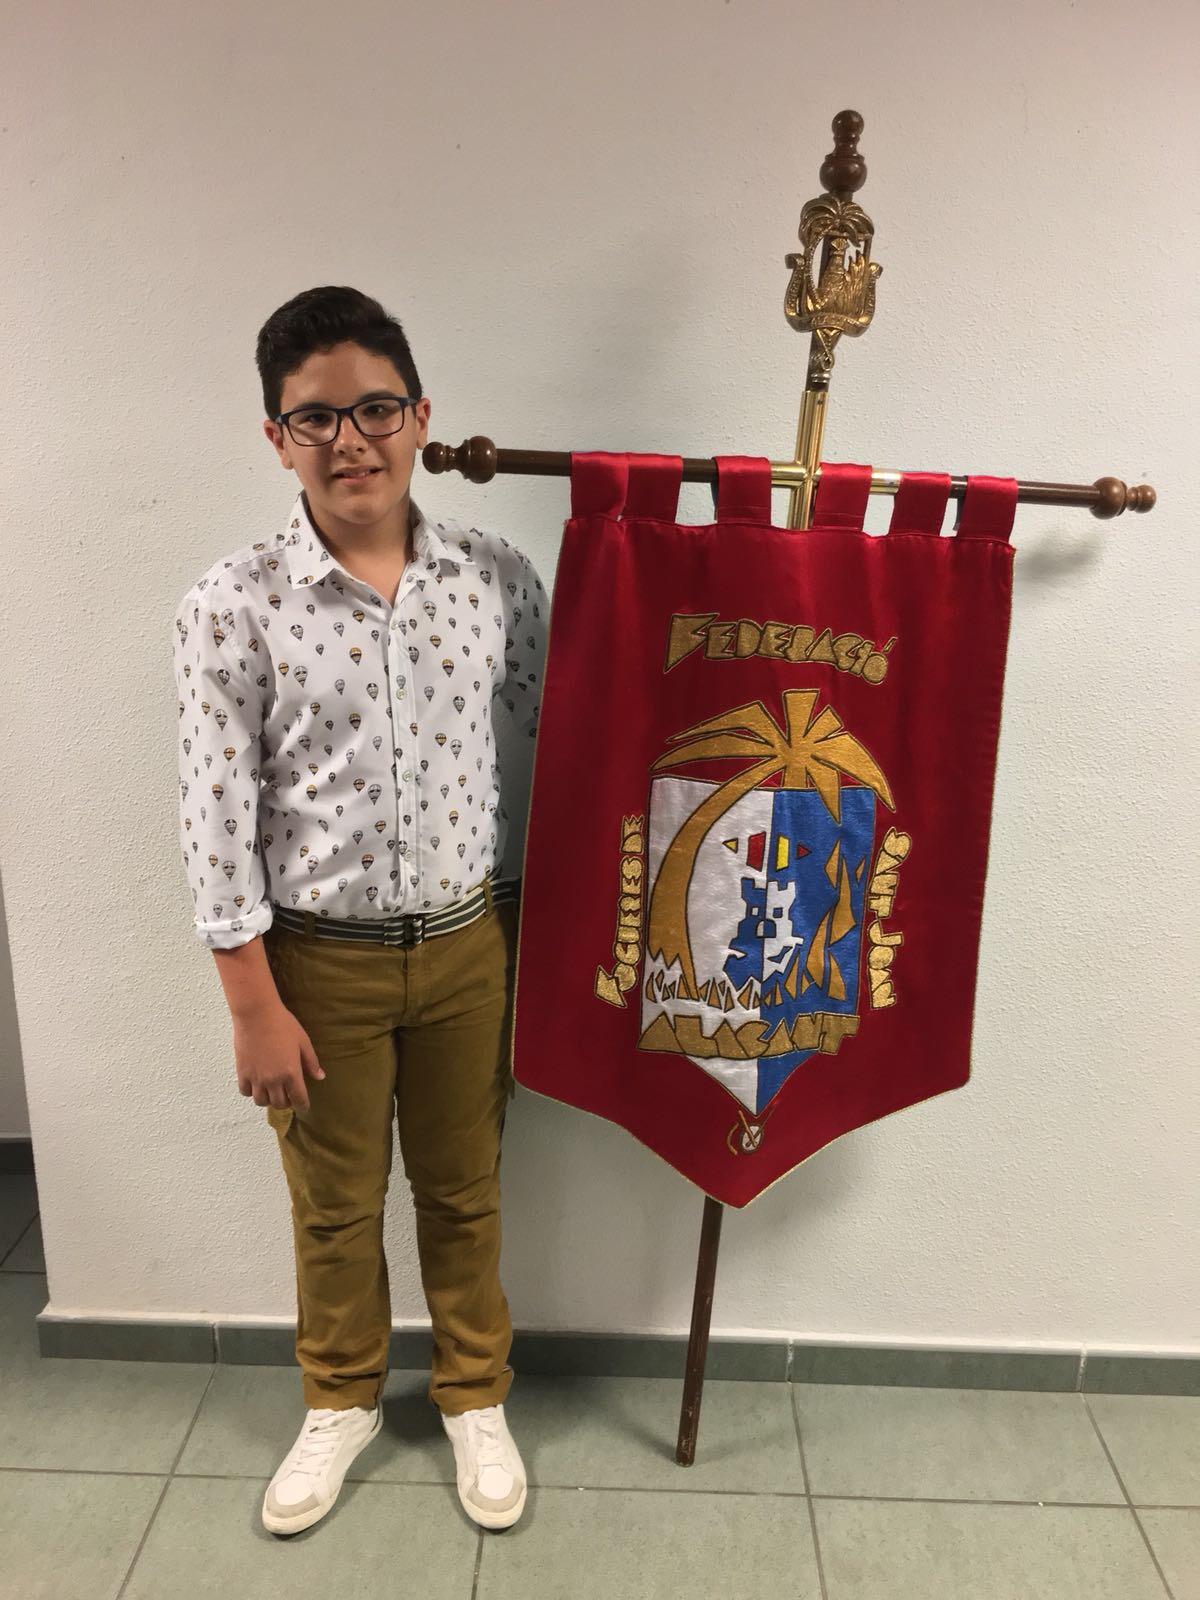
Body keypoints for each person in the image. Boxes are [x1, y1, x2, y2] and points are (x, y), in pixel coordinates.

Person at [171, 285, 546, 1536]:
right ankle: (340, 1399)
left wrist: (538, 934)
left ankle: (474, 1392)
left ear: (421, 415)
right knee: (333, 1205)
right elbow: (215, 811)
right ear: (276, 436)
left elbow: (544, 749)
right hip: (315, 966)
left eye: (376, 409)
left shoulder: (496, 581)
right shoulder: (234, 604)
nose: (351, 441)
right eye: (315, 418)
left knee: (465, 1185)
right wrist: (251, 1003)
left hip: (469, 947)